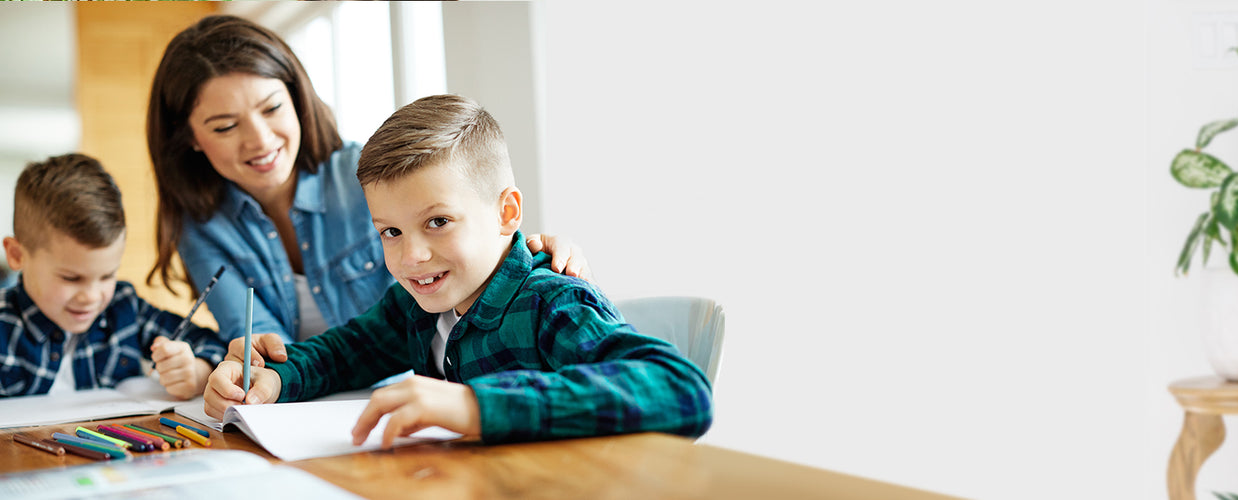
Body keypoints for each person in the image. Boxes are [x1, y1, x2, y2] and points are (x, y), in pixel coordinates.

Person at [203, 95, 712, 447]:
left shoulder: (552, 303)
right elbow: (344, 353)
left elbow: (679, 388)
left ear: (507, 213)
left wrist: (473, 407)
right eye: (390, 232)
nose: (411, 257)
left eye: (438, 222)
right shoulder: (415, 303)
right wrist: (272, 378)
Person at [145, 15, 589, 347]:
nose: (260, 140)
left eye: (272, 109)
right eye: (225, 127)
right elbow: (262, 346)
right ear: (191, 140)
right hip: (307, 401)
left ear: (297, 100)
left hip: (413, 393)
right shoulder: (200, 223)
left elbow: (467, 255)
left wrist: (527, 252)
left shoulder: (368, 177)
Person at [0, 154, 226, 399]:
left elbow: (213, 345)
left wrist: (196, 372)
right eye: (71, 278)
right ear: (16, 255)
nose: (91, 297)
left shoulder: (124, 307)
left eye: (107, 275)